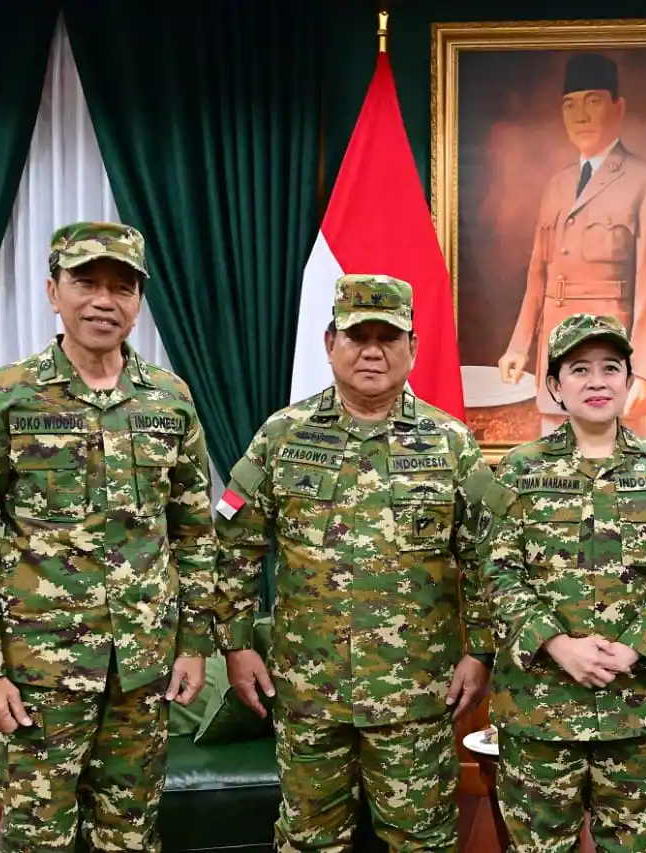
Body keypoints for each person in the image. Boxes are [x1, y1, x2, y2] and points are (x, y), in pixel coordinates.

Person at [0, 221, 218, 852]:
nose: (103, 301)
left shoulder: (169, 399)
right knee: (39, 839)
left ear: (139, 302)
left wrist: (194, 644)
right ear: (52, 291)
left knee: (132, 835)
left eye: (122, 287)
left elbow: (193, 532)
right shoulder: (4, 396)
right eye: (85, 282)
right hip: (39, 671)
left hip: (142, 670)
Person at [212, 274, 495, 852]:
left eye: (388, 337)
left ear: (412, 348)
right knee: (308, 842)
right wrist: (237, 644)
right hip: (308, 691)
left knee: (422, 842)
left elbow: (488, 556)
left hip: (417, 693)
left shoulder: (451, 444)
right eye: (356, 335)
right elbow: (234, 547)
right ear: (329, 343)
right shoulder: (282, 437)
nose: (372, 351)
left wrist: (480, 650)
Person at [479, 313, 646, 851]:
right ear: (555, 386)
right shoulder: (519, 469)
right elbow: (494, 569)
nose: (597, 381)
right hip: (540, 707)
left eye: (611, 368)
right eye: (579, 369)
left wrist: (634, 649)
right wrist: (558, 645)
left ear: (630, 381)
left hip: (638, 706)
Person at [497, 52, 646, 439]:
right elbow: (539, 275)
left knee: (620, 484)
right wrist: (519, 347)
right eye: (570, 105)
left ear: (618, 108)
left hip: (611, 365)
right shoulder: (556, 186)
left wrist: (645, 371)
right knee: (552, 479)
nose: (579, 115)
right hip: (557, 363)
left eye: (593, 102)